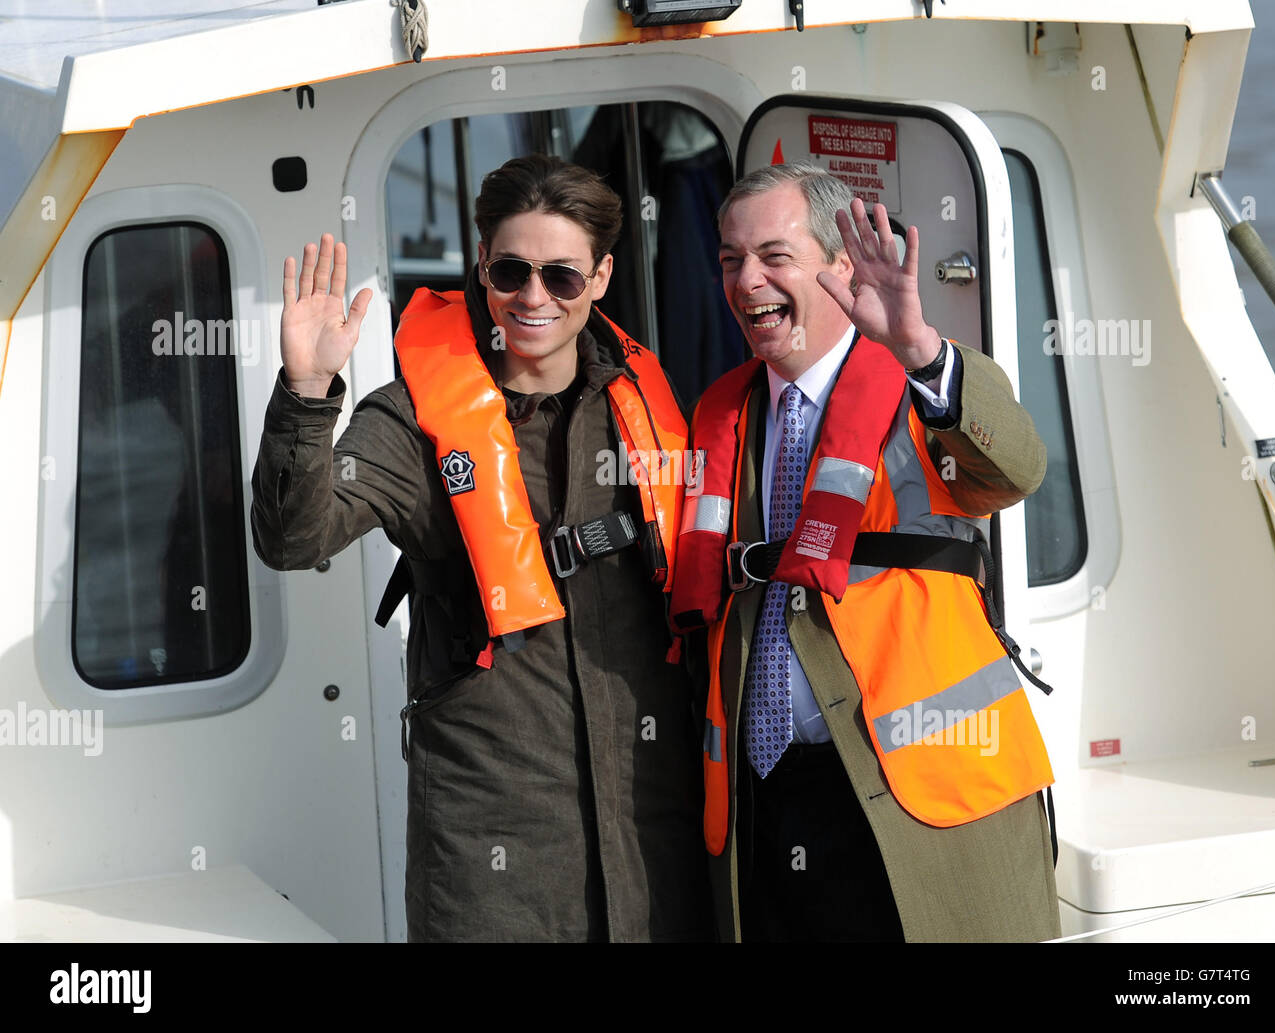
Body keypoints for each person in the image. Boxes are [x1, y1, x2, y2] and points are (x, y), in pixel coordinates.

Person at [250, 154, 712, 942]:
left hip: (652, 828)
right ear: (481, 271)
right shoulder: (412, 420)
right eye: (511, 271)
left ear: (600, 278)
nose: (533, 297)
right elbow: (295, 538)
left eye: (562, 277)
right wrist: (305, 393)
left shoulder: (651, 410)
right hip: (491, 852)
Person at [670, 161, 1059, 942]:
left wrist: (920, 350)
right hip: (768, 799)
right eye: (730, 261)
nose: (748, 282)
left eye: (774, 257)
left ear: (840, 266)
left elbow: (1016, 468)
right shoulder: (719, 413)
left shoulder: (921, 387)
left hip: (922, 793)